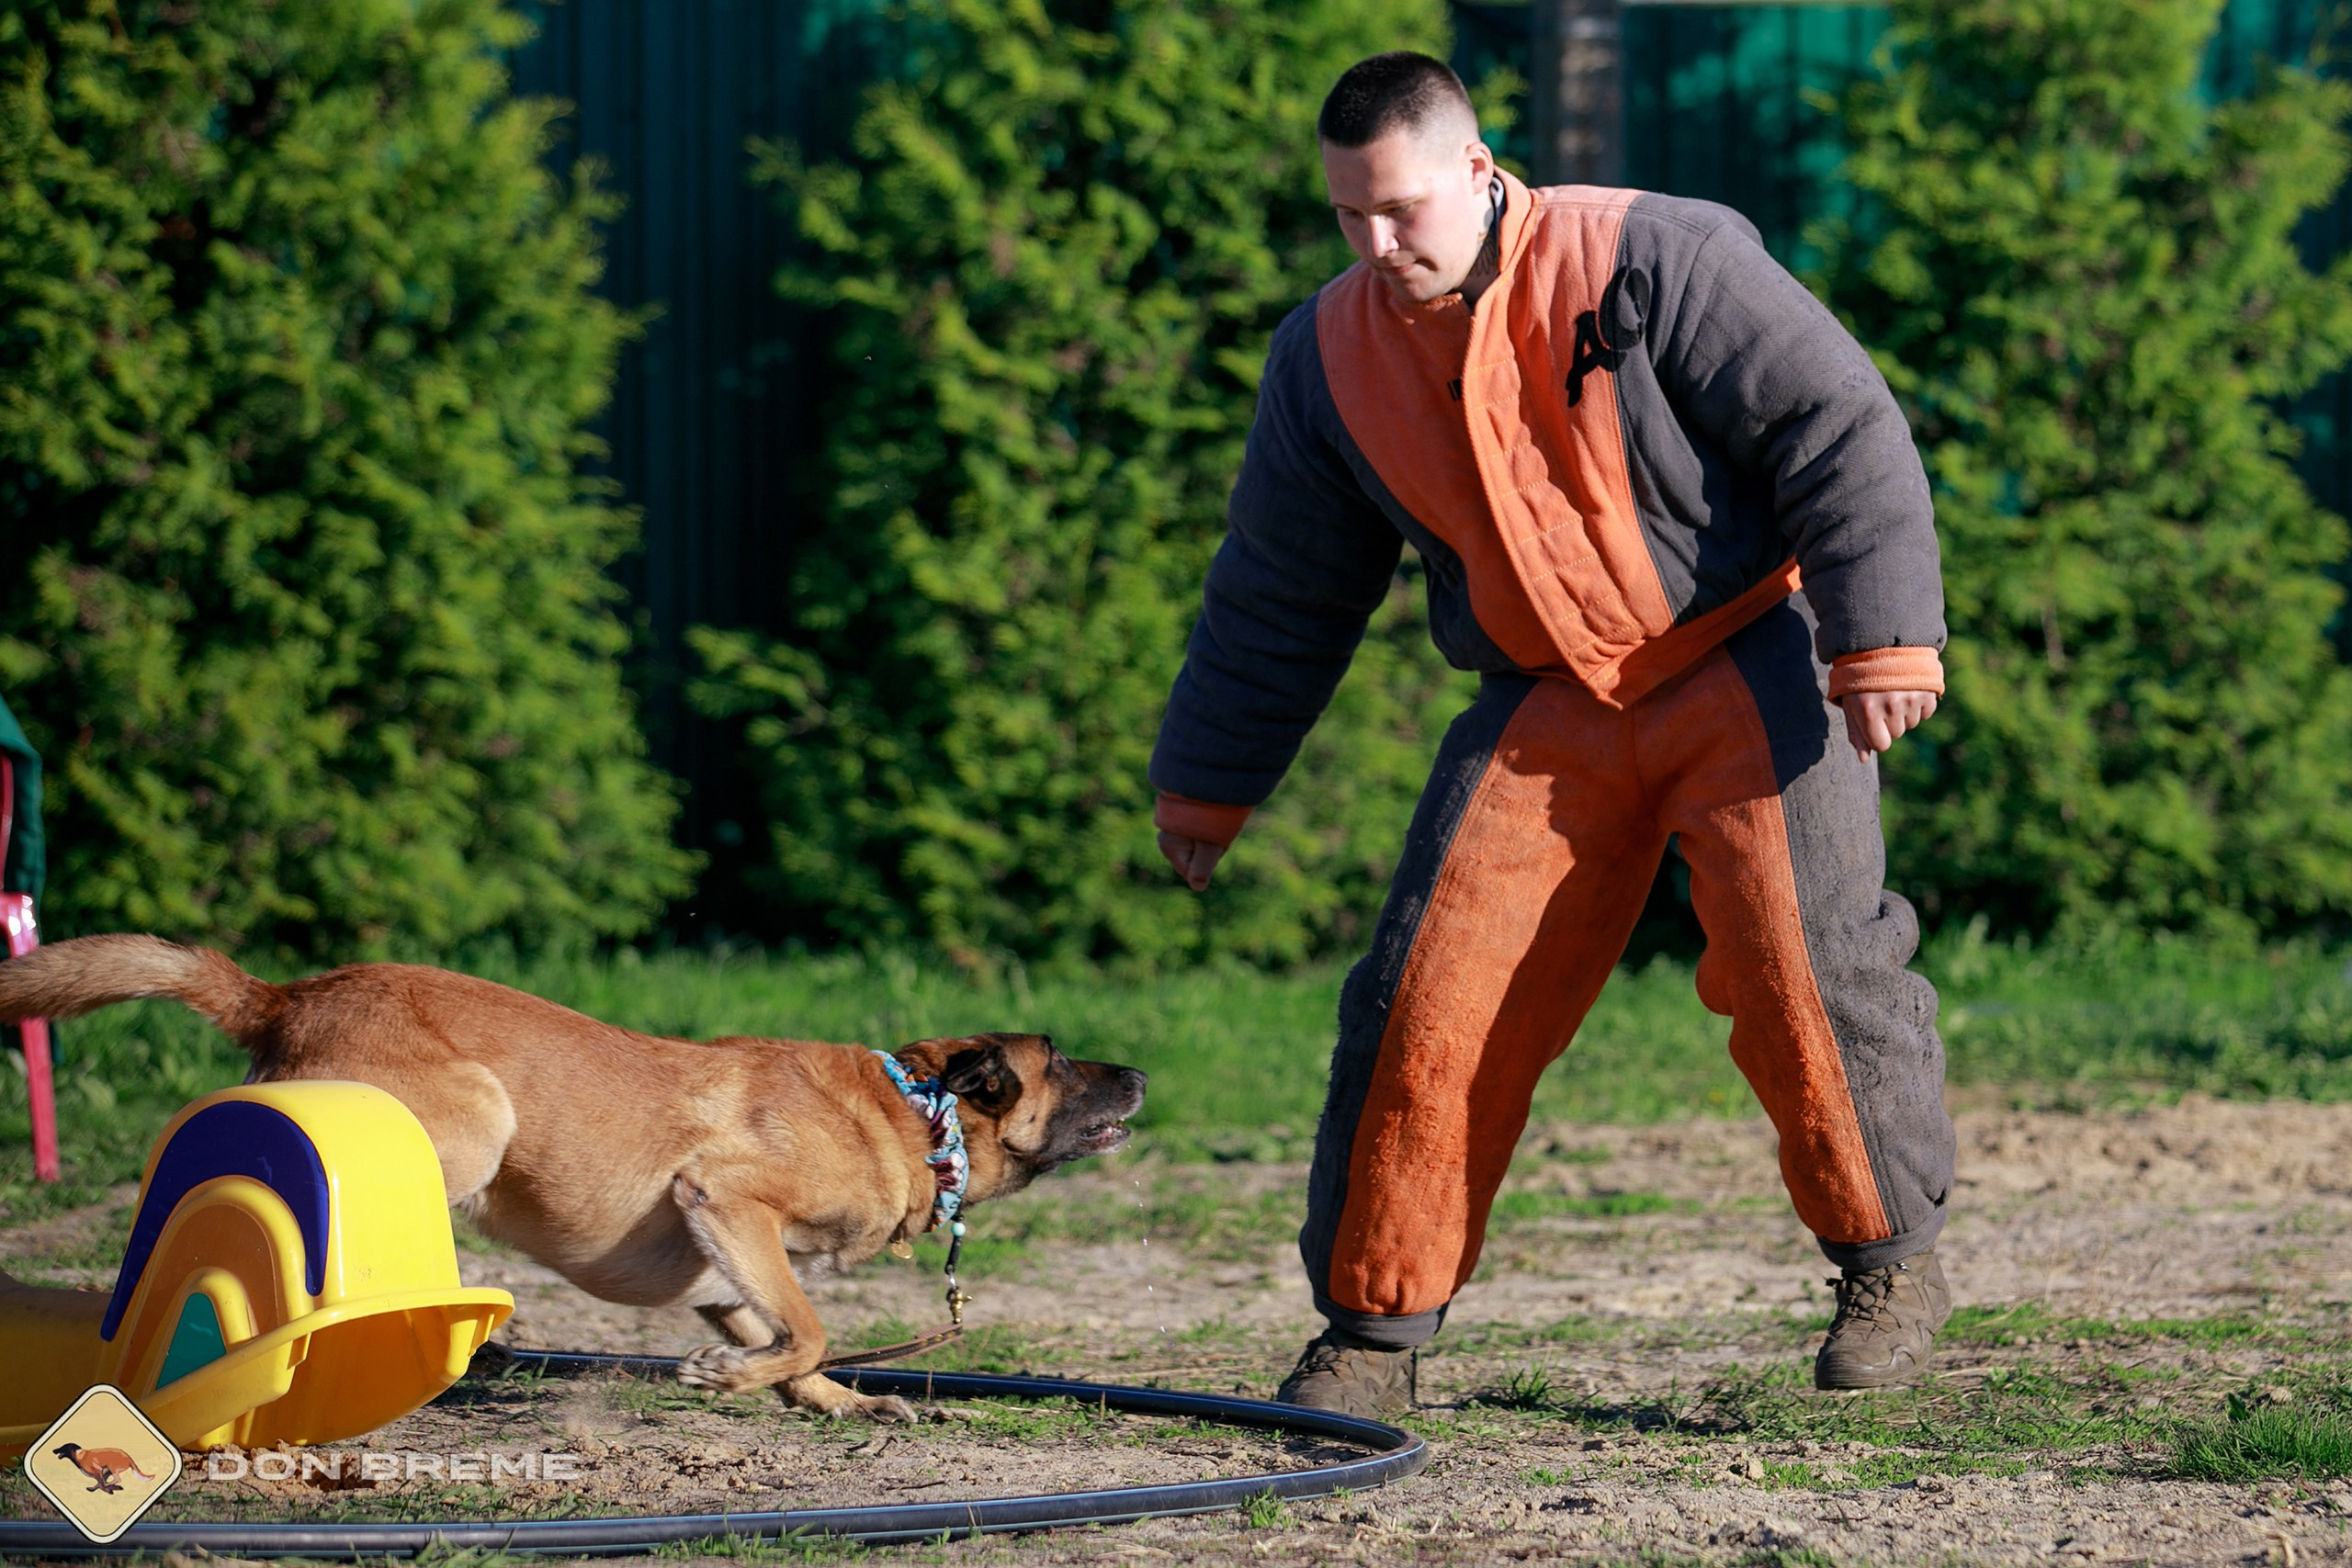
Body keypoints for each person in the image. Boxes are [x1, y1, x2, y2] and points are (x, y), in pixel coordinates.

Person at [1148, 51, 1955, 1417]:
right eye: (1349, 216)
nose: (1377, 244)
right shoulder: (1326, 355)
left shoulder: (1657, 255)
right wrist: (1205, 789)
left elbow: (1840, 423)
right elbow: (1278, 591)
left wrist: (1882, 637)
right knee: (1425, 997)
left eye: (1400, 208)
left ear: (1478, 167)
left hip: (1746, 655)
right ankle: (1370, 1336)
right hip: (1540, 703)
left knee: (1808, 968)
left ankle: (1890, 1266)